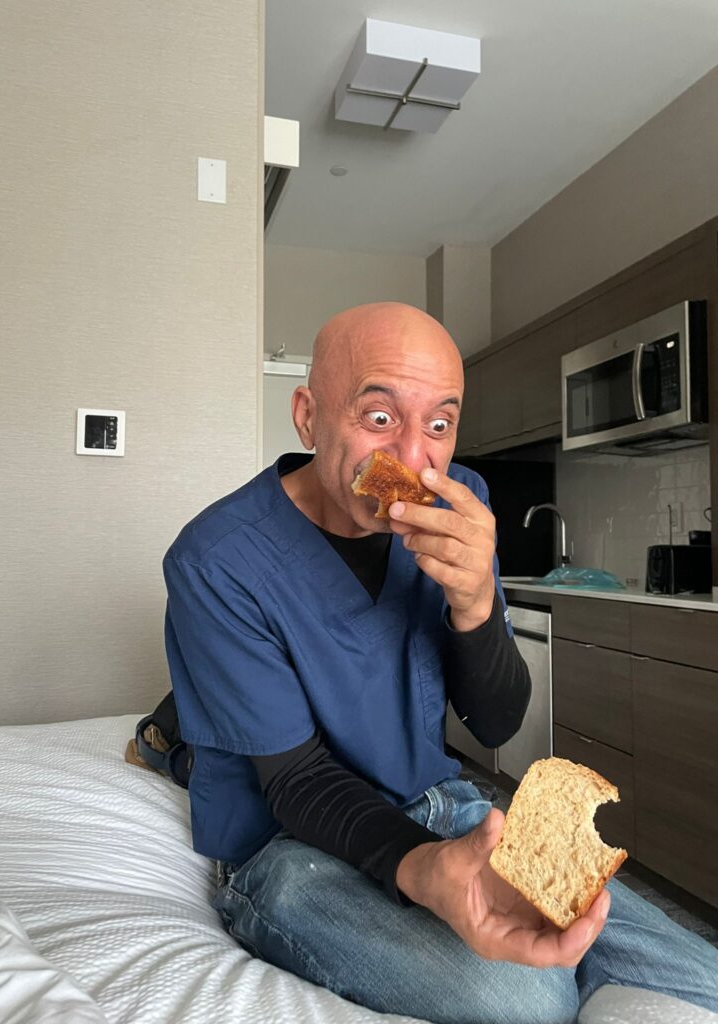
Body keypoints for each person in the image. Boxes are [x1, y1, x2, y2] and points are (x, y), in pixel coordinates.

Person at [162, 302, 718, 1024]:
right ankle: (179, 733)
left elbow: (495, 719)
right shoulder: (217, 559)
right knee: (525, 998)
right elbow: (296, 780)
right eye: (379, 417)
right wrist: (426, 870)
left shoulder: (467, 509)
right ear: (307, 416)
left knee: (701, 977)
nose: (414, 461)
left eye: (439, 424)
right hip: (288, 845)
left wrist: (477, 605)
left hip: (442, 805)